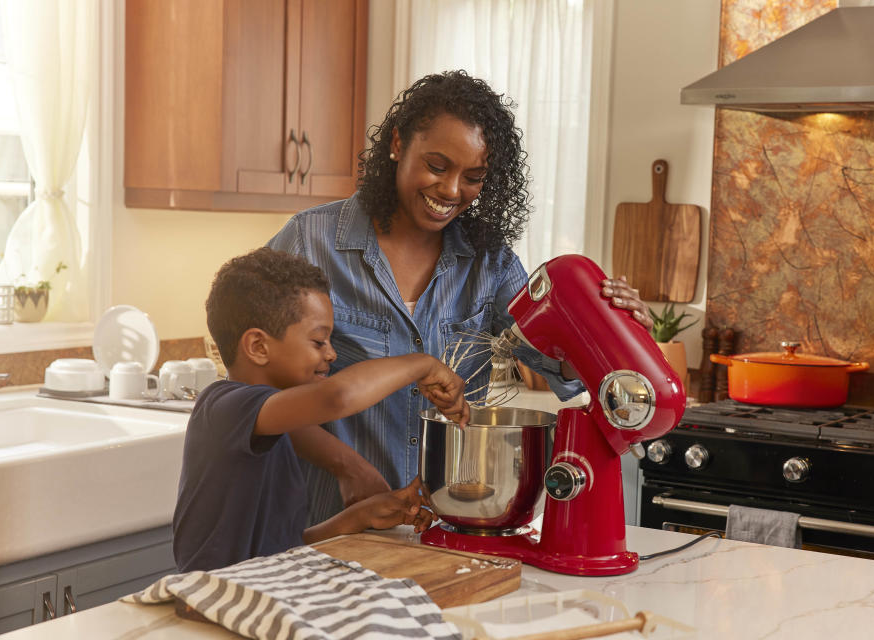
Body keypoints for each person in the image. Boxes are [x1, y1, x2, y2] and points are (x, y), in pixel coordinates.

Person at [267, 70, 653, 526]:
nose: (451, 191)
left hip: (444, 523)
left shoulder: (491, 265)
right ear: (397, 144)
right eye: (436, 165)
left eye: (473, 176)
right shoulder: (310, 241)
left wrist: (616, 334)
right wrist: (349, 469)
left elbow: (558, 365)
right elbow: (257, 392)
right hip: (326, 521)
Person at [172, 247, 469, 572]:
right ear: (258, 346)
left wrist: (356, 519)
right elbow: (337, 397)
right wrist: (422, 364)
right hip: (210, 602)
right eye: (318, 342)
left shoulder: (272, 425)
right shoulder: (224, 406)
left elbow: (281, 551)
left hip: (258, 589)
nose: (331, 355)